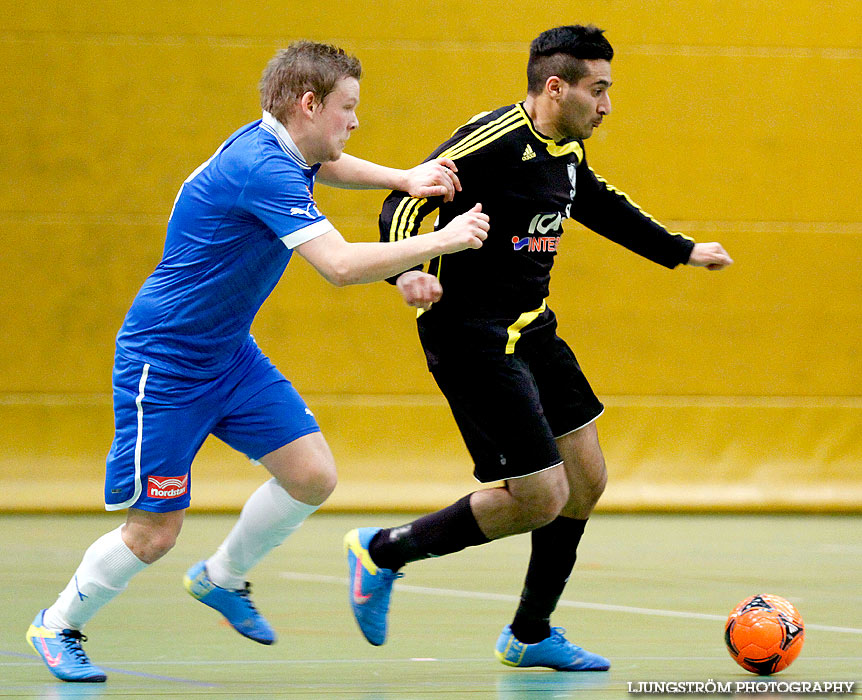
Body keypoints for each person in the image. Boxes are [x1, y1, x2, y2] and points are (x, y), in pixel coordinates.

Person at [25, 41, 489, 683]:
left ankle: (221, 578)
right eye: (346, 108)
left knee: (311, 476)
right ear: (308, 103)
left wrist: (402, 178)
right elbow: (340, 266)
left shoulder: (285, 149)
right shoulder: (260, 167)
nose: (354, 121)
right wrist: (442, 239)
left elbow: (325, 167)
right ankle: (56, 624)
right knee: (155, 532)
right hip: (165, 367)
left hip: (229, 357)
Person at [344, 24, 733, 672]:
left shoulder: (567, 153)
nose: (607, 105)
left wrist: (682, 251)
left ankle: (530, 632)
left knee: (586, 482)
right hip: (469, 336)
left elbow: (600, 206)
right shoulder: (492, 143)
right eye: (597, 90)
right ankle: (382, 551)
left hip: (532, 328)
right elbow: (400, 205)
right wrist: (406, 273)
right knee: (540, 496)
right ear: (556, 87)